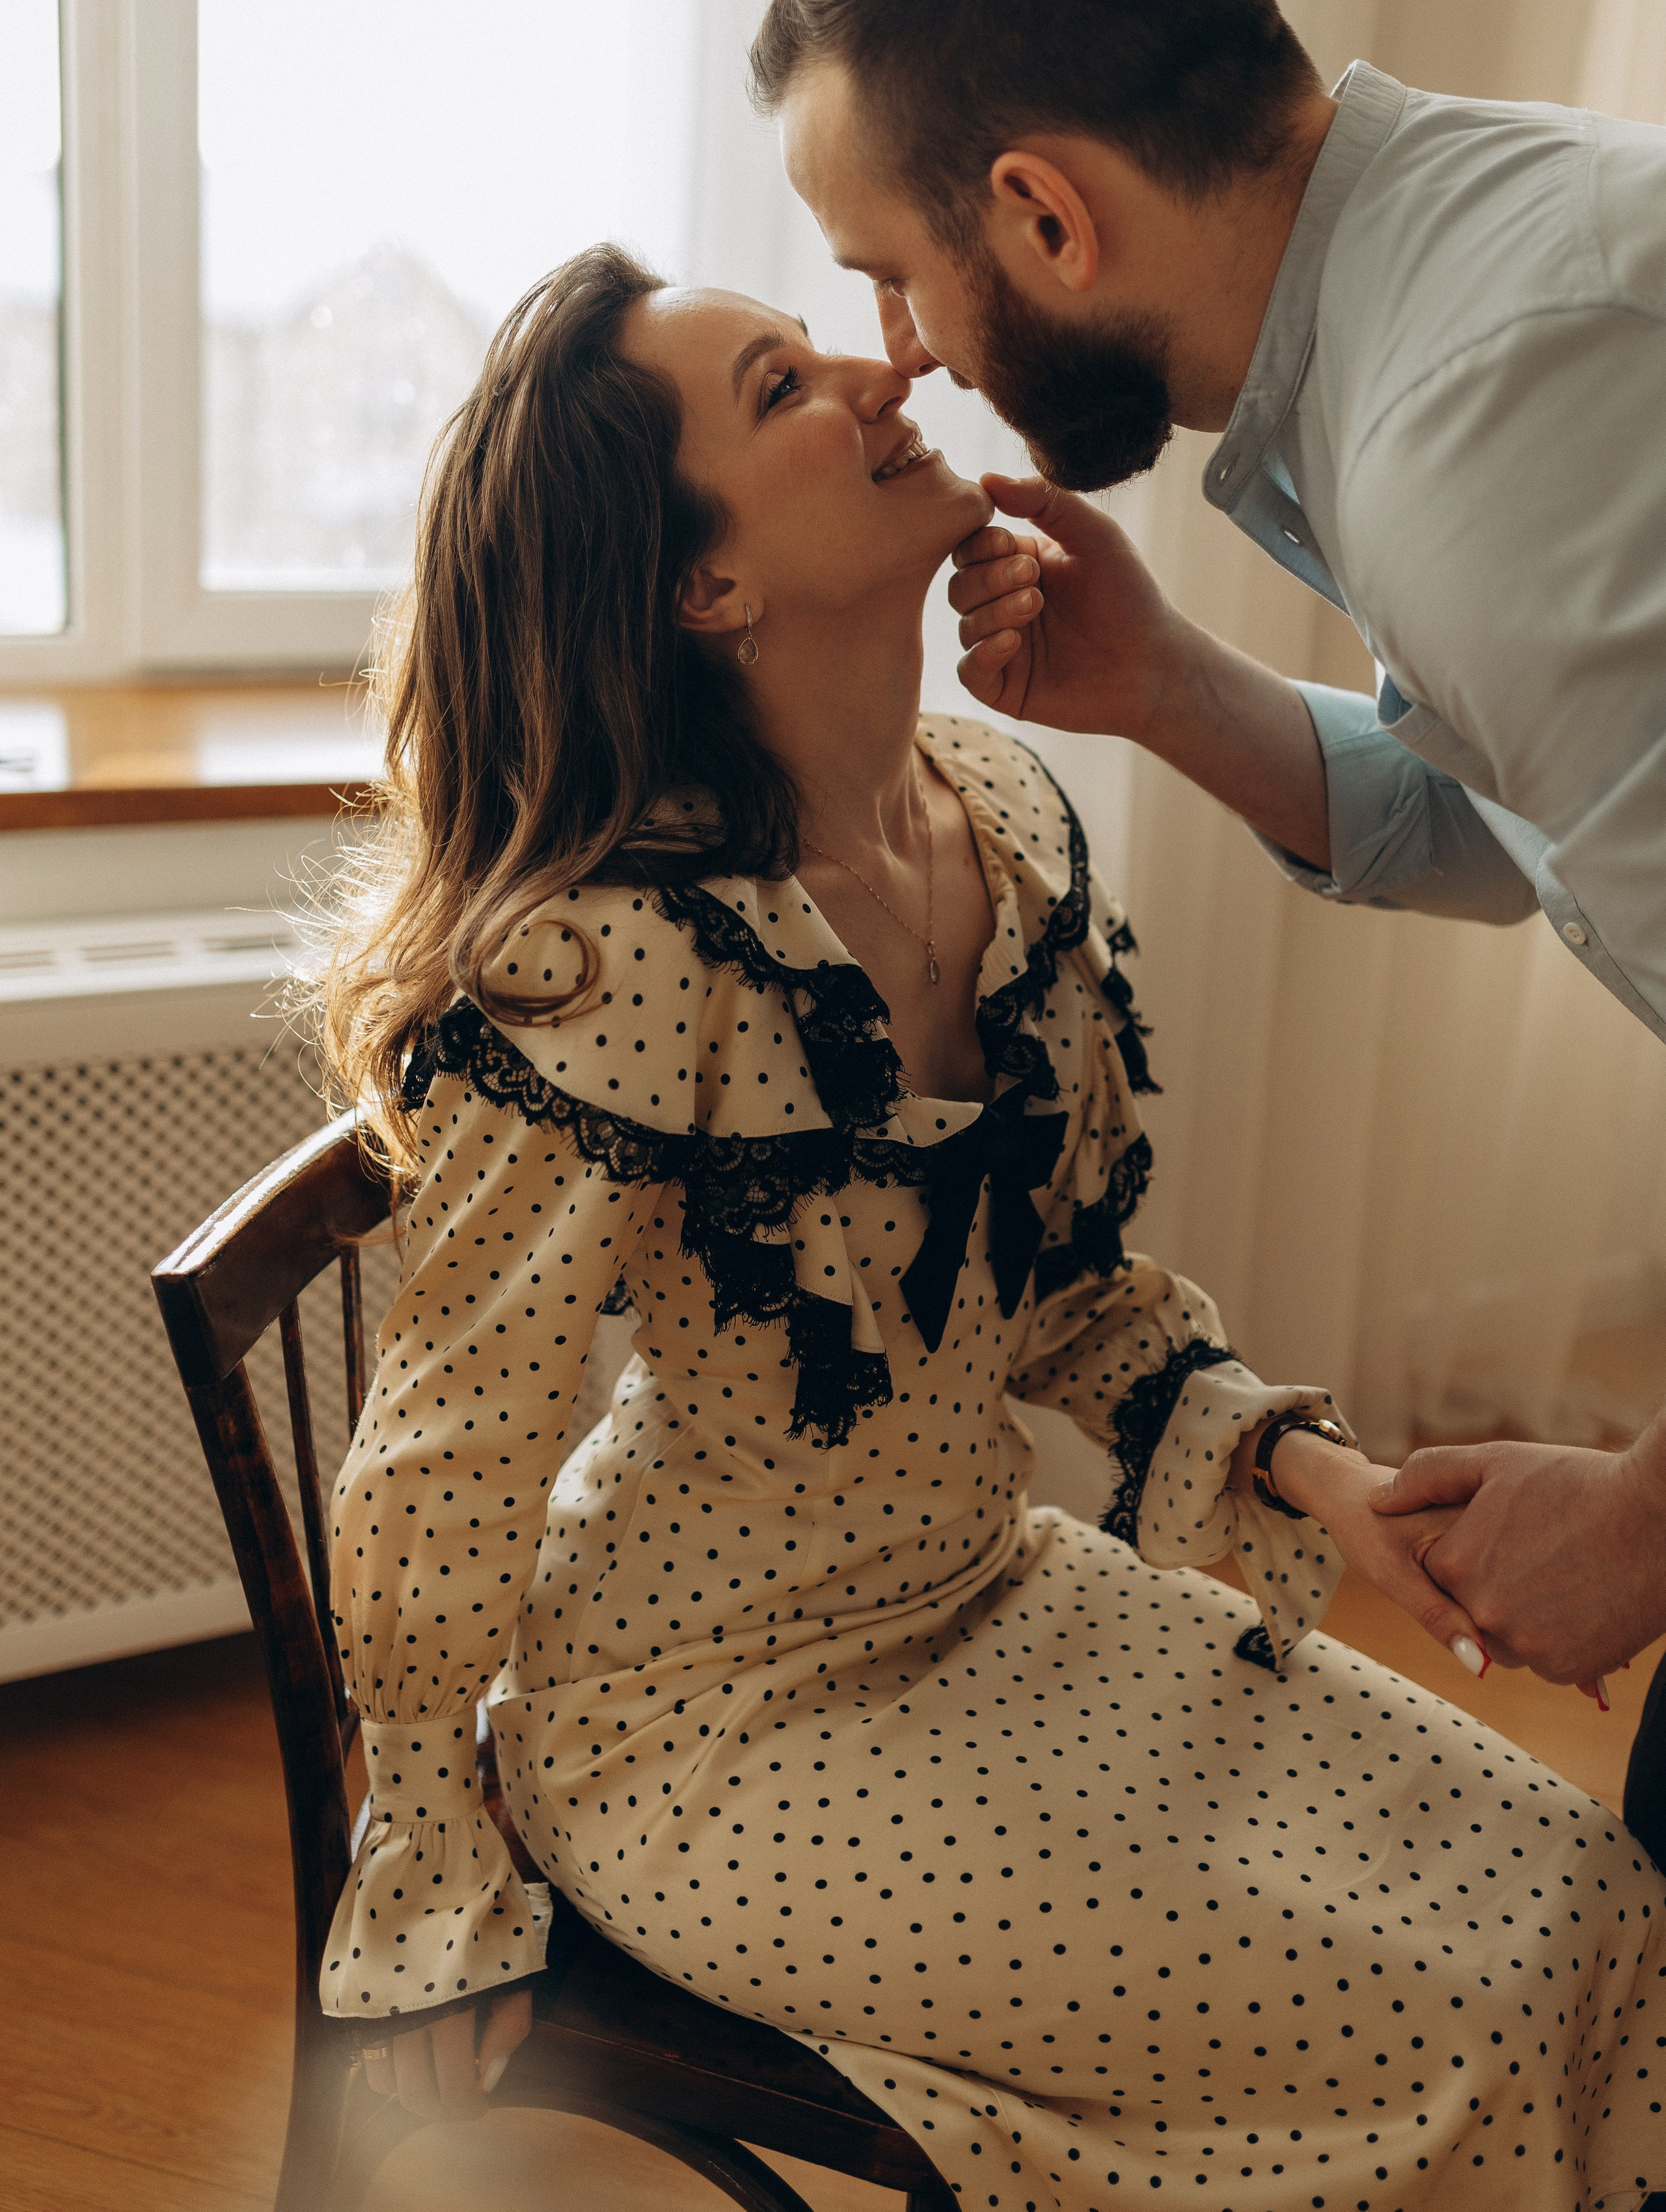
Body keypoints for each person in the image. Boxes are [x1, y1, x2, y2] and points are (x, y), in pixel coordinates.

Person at [311, 243, 1666, 2205]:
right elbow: (445, 1464)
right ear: (710, 587)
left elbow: (1066, 1295)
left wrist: (1329, 1483)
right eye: (784, 389)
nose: (880, 378)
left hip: (996, 1600)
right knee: (1439, 2009)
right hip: (708, 1726)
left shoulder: (1003, 821)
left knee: (1580, 1895)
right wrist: (430, 1886)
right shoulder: (607, 963)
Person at [748, 0, 1666, 1711]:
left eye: (891, 274)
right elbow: (1526, 825)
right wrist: (1169, 687)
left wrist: (1643, 1526)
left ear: (1046, 213)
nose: (903, 353)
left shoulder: (1474, 433)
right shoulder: (1461, 282)